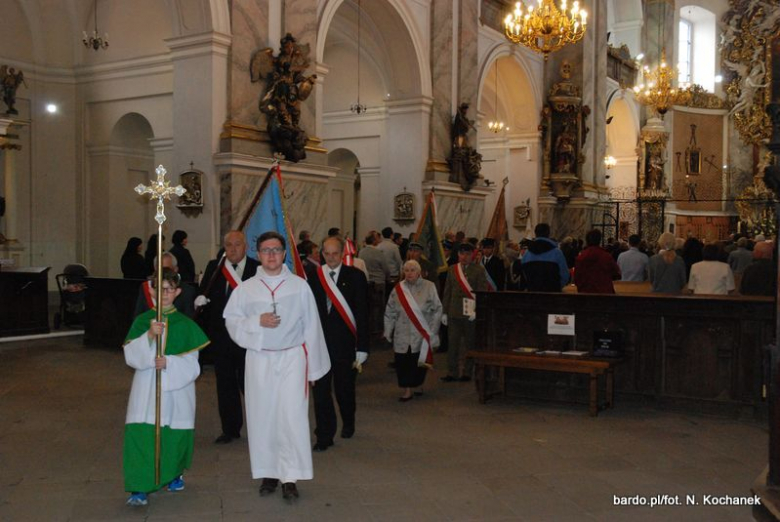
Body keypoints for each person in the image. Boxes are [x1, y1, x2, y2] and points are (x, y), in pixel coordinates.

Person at [224, 231, 330, 502]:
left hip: (293, 358)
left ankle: (290, 476)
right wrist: (256, 322)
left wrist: (314, 368)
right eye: (266, 250)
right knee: (263, 416)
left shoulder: (299, 286)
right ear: (257, 254)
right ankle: (269, 471)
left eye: (276, 250)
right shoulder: (246, 288)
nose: (271, 255)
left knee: (292, 417)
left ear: (284, 253)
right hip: (259, 359)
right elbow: (232, 321)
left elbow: (312, 327)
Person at [122, 269, 209, 506]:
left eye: (169, 289)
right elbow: (130, 355)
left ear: (178, 292)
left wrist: (170, 362)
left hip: (177, 391)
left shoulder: (186, 325)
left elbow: (193, 366)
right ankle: (139, 486)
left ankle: (172, 474)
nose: (164, 294)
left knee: (174, 435)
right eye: (158, 289)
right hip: (147, 389)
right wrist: (150, 336)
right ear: (150, 290)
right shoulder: (142, 322)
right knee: (142, 436)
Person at [308, 236, 370, 451]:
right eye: (327, 253)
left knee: (344, 389)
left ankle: (348, 421)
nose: (331, 257)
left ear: (342, 253)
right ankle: (324, 435)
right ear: (322, 254)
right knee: (321, 392)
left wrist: (362, 346)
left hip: (345, 345)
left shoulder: (356, 276)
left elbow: (363, 313)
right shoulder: (314, 277)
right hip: (320, 345)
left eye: (335, 253)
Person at [197, 231, 259, 444]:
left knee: (250, 385)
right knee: (225, 385)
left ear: (246, 247)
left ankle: (259, 428)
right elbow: (204, 292)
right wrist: (200, 300)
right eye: (228, 245)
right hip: (221, 337)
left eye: (237, 245)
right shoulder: (215, 267)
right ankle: (230, 429)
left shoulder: (256, 269)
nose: (232, 249)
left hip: (247, 338)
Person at [384, 260, 442, 401]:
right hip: (402, 332)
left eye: (412, 270)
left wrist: (433, 331)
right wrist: (388, 330)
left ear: (419, 272)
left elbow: (437, 309)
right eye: (407, 270)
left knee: (418, 362)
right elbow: (390, 311)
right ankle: (407, 390)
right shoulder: (398, 289)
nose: (409, 273)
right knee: (403, 361)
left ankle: (418, 383)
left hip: (421, 332)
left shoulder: (429, 286)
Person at [440, 243, 488, 382]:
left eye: (467, 254)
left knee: (470, 344)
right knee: (453, 344)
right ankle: (452, 372)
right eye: (461, 254)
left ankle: (467, 371)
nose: (464, 257)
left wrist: (477, 310)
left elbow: (482, 292)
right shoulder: (452, 269)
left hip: (470, 313)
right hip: (454, 312)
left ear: (472, 255)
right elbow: (447, 291)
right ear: (458, 255)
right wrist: (444, 311)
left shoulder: (478, 270)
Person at [134, 252, 197, 318]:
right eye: (160, 269)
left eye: (167, 270)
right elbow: (138, 316)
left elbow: (188, 320)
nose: (163, 273)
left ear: (175, 270)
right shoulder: (146, 288)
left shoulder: (187, 291)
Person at [520, 223, 570, 291]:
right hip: (552, 295)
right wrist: (557, 287)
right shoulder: (557, 253)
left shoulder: (527, 254)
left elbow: (524, 275)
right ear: (548, 233)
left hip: (532, 295)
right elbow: (565, 275)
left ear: (535, 233)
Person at [574, 229, 621, 293]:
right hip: (604, 293)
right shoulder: (606, 256)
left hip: (585, 294)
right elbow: (616, 272)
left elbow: (577, 278)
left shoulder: (581, 257)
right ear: (599, 240)